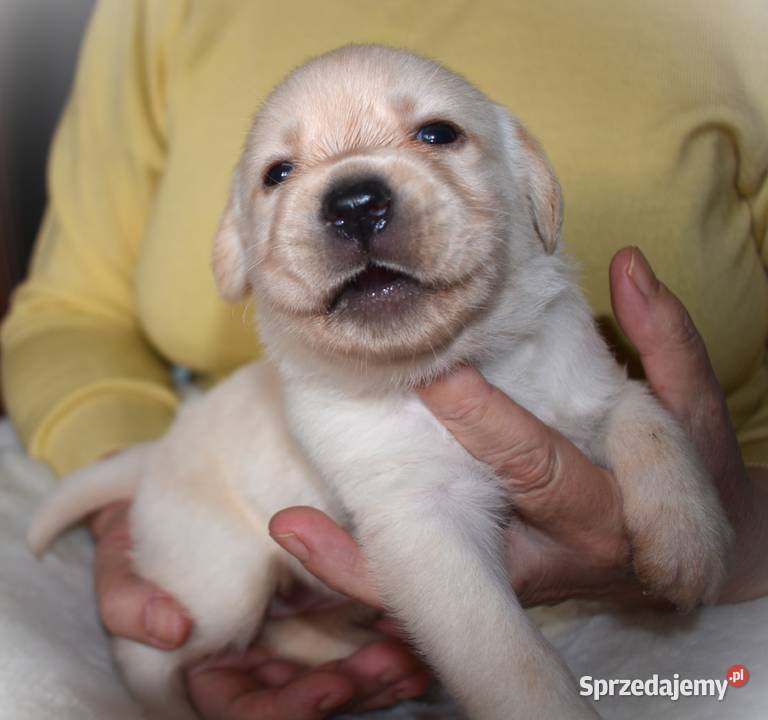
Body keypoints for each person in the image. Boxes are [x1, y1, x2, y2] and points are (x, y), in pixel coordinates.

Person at [2, 2, 767, 718]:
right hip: (216, 490)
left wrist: (681, 477)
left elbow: (608, 404)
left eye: (436, 134)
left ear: (531, 180)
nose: (356, 199)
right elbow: (71, 313)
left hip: (727, 572)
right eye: (279, 172)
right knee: (202, 610)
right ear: (235, 252)